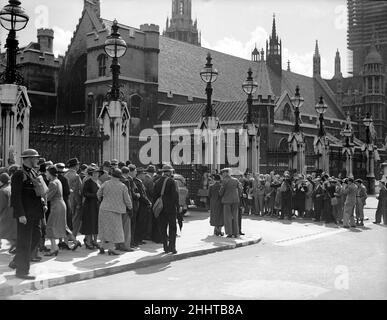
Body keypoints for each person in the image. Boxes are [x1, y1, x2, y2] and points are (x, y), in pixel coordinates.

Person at [10, 149, 46, 280]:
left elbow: (35, 192)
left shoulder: (32, 172)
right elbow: (15, 196)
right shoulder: (19, 174)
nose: (37, 160)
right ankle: (22, 271)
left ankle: (17, 260)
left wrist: (42, 201)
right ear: (29, 158)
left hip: (35, 213)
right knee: (24, 242)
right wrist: (20, 214)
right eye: (35, 158)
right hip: (25, 215)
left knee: (36, 236)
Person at [45, 165, 81, 256]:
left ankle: (54, 248)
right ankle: (75, 241)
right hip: (61, 205)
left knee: (50, 226)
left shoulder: (53, 183)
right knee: (64, 226)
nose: (46, 174)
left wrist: (42, 195)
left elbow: (48, 197)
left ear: (50, 173)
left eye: (47, 172)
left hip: (56, 206)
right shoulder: (58, 181)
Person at [97, 168, 132, 255]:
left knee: (104, 228)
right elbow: (127, 200)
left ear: (112, 175)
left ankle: (102, 246)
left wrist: (103, 200)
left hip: (104, 208)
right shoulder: (122, 186)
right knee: (114, 230)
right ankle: (111, 249)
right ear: (120, 177)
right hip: (115, 210)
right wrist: (130, 207)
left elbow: (98, 194)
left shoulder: (106, 183)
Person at [154, 164, 181, 254]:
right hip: (170, 208)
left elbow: (155, 197)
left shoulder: (157, 182)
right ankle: (172, 247)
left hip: (161, 209)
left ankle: (165, 247)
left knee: (163, 228)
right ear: (169, 172)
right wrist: (178, 207)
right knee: (172, 228)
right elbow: (175, 196)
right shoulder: (171, 181)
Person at [130, 165, 152, 246]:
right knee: (139, 223)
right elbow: (142, 195)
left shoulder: (138, 181)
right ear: (139, 174)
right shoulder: (137, 182)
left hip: (142, 205)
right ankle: (137, 239)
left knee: (141, 223)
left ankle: (139, 239)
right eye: (143, 173)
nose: (144, 175)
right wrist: (148, 202)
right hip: (141, 205)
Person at [80, 166, 101, 249]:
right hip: (89, 206)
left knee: (96, 223)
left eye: (97, 173)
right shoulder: (88, 182)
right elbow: (84, 193)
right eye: (95, 173)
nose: (96, 174)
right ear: (91, 174)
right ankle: (88, 242)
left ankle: (95, 241)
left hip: (96, 205)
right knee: (89, 224)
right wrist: (95, 195)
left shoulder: (98, 182)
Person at [219, 168, 241, 238]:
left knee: (227, 217)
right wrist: (238, 196)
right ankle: (236, 232)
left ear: (226, 173)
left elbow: (221, 192)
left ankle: (229, 233)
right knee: (235, 216)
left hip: (227, 200)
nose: (222, 174)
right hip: (235, 200)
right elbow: (240, 189)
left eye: (222, 173)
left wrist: (219, 193)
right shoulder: (236, 180)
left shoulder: (224, 180)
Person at [64, 158, 82, 237]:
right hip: (74, 200)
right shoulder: (76, 176)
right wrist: (79, 202)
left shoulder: (65, 175)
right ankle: (72, 235)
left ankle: (67, 235)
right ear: (75, 166)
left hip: (67, 199)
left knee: (67, 218)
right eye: (78, 164)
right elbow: (77, 190)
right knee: (75, 219)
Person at [0, 173, 17, 254]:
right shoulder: (11, 188)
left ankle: (15, 244)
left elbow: (1, 205)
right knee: (10, 232)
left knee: (4, 232)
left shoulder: (2, 191)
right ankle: (14, 244)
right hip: (12, 212)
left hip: (5, 213)